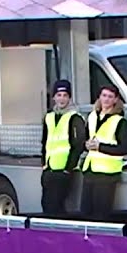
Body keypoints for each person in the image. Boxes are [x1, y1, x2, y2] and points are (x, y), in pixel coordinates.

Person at [80, 85, 127, 220]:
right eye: (104, 95)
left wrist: (100, 147)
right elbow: (85, 139)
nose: (106, 99)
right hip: (90, 170)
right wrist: (86, 145)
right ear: (99, 97)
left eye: (110, 97)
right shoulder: (92, 116)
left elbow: (124, 148)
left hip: (107, 173)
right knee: (85, 212)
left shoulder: (120, 121)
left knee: (101, 214)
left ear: (115, 100)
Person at [40, 80, 86, 216]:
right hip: (49, 170)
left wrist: (68, 168)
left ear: (69, 98)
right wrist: (44, 164)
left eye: (65, 95)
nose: (62, 98)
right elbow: (45, 142)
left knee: (57, 207)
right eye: (59, 95)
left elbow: (78, 144)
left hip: (64, 171)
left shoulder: (75, 117)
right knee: (46, 205)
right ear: (54, 97)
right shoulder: (49, 117)